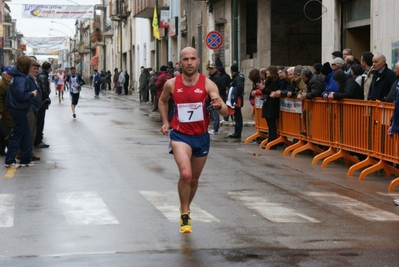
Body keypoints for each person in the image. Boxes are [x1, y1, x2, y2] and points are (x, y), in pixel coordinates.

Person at [158, 47, 228, 233]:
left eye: (193, 59)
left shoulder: (208, 84)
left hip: (201, 137)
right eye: (185, 59)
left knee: (195, 179)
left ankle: (187, 206)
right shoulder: (172, 84)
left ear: (198, 61)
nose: (189, 62)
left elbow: (224, 111)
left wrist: (219, 105)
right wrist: (165, 121)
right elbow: (163, 101)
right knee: (186, 174)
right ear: (180, 62)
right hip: (180, 135)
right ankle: (184, 212)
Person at [5, 56, 38, 168]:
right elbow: (21, 95)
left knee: (25, 135)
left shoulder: (18, 76)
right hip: (18, 109)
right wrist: (32, 94)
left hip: (19, 109)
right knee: (18, 135)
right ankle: (10, 160)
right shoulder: (21, 78)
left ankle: (25, 159)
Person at [252, 65, 280, 147]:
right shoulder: (268, 80)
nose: (267, 72)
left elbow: (270, 91)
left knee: (272, 124)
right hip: (267, 102)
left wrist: (263, 89)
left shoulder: (275, 81)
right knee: (269, 123)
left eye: (268, 71)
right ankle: (270, 140)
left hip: (272, 103)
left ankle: (272, 141)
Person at [25, 61, 42, 162]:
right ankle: (26, 153)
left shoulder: (34, 78)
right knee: (29, 132)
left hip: (35, 107)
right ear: (29, 68)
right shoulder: (28, 78)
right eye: (34, 68)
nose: (36, 70)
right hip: (30, 108)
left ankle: (29, 152)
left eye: (37, 69)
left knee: (33, 132)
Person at [35, 61, 51, 149]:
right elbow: (44, 89)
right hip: (41, 102)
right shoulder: (43, 76)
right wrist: (47, 98)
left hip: (39, 101)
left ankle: (38, 138)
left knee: (39, 121)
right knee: (40, 121)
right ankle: (38, 140)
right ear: (48, 69)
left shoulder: (40, 74)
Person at [227, 64, 245, 138]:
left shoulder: (238, 79)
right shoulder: (237, 78)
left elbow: (239, 88)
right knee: (236, 116)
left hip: (236, 100)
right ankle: (236, 131)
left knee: (238, 117)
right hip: (235, 99)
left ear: (231, 70)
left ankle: (237, 132)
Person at [0, 67, 13, 155]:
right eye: (7, 74)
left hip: (8, 111)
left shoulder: (8, 84)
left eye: (10, 74)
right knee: (5, 132)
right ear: (3, 75)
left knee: (4, 131)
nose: (9, 76)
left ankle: (2, 149)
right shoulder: (2, 85)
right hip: (4, 112)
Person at [207, 63, 222, 135]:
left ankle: (215, 129)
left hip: (215, 98)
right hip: (212, 98)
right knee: (214, 113)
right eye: (209, 69)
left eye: (212, 69)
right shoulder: (212, 77)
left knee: (215, 114)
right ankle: (215, 128)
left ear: (215, 69)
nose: (210, 70)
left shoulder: (216, 78)